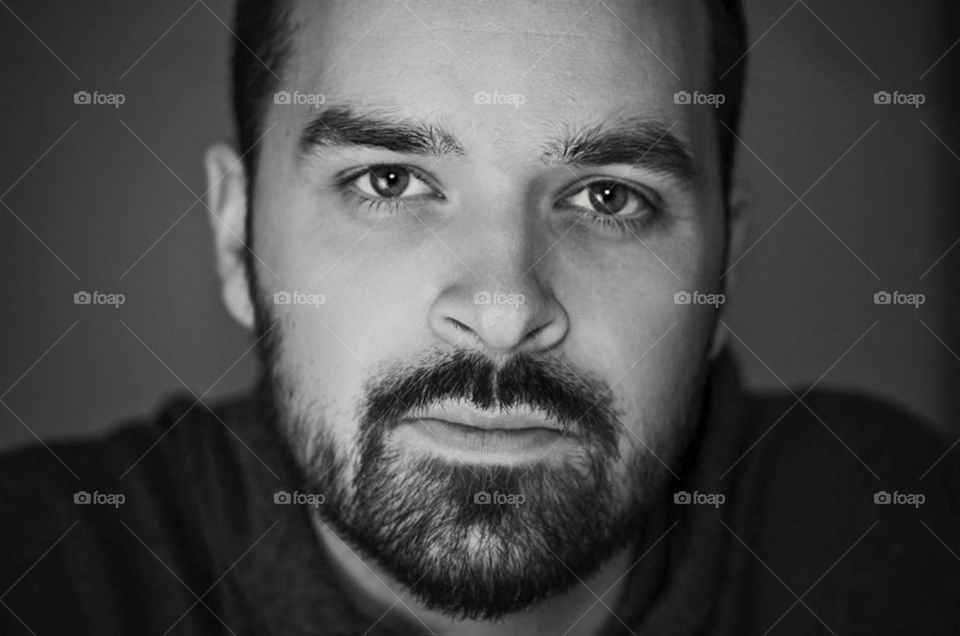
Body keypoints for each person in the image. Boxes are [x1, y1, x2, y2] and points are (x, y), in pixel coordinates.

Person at [2, 1, 958, 634]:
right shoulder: (38, 570)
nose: (503, 317)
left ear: (722, 267)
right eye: (389, 181)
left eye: (609, 197)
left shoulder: (897, 542)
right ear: (234, 237)